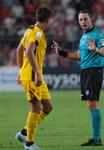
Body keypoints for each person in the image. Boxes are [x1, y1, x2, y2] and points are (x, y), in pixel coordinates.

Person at [52, 9, 104, 146]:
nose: (83, 22)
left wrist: (96, 50)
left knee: (92, 103)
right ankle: (96, 138)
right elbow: (78, 56)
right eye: (80, 20)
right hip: (85, 71)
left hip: (94, 71)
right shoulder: (83, 37)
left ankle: (97, 139)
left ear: (91, 19)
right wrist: (60, 52)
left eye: (85, 19)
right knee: (90, 103)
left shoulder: (98, 34)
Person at [15, 7, 54, 150]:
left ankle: (24, 132)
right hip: (32, 76)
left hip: (33, 75)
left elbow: (18, 50)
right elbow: (28, 50)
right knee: (36, 108)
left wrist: (20, 69)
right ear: (48, 20)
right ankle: (29, 144)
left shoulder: (29, 30)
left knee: (48, 107)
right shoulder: (37, 33)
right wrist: (36, 72)